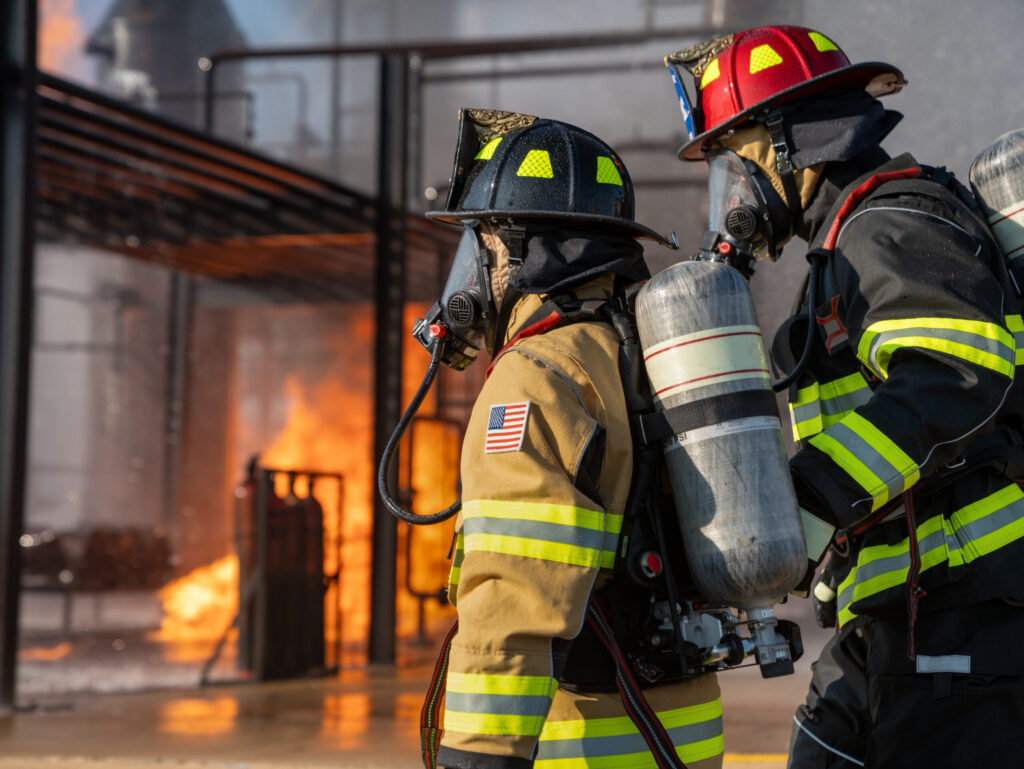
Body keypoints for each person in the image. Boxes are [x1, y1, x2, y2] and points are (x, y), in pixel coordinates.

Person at [664, 24, 1024, 769]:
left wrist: (810, 499)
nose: (732, 186)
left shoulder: (886, 223)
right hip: (899, 612)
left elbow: (954, 373)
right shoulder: (840, 252)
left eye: (736, 155)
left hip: (967, 615)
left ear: (791, 140)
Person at [411, 109, 724, 769]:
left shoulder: (538, 372)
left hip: (587, 741)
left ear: (511, 248)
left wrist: (476, 758)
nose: (471, 275)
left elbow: (513, 595)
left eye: (477, 245)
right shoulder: (651, 351)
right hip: (686, 730)